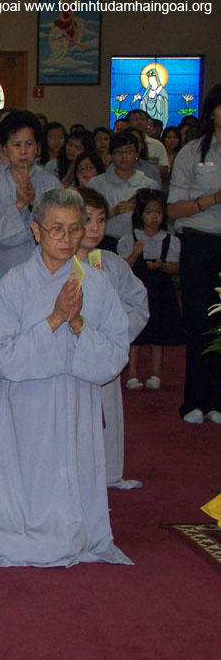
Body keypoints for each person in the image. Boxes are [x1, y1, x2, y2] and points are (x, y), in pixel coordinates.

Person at [0, 189, 132, 568]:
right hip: (28, 402)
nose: (66, 238)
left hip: (76, 399)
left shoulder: (97, 283)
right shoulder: (15, 283)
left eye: (75, 229)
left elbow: (115, 353)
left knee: (70, 472)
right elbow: (2, 357)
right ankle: (19, 525)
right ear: (36, 230)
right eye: (56, 229)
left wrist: (78, 323)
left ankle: (72, 528)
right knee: (27, 474)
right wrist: (55, 319)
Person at [75, 187, 148, 489]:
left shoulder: (111, 262)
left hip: (104, 351)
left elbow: (137, 303)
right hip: (69, 355)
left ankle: (107, 473)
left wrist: (115, 338)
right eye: (87, 219)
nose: (94, 227)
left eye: (101, 219)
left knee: (106, 412)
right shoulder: (53, 261)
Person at [168, 84, 221, 424]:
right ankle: (195, 401)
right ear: (211, 111)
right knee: (201, 323)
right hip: (201, 244)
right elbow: (173, 209)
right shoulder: (192, 152)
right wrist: (213, 199)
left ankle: (218, 400)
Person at [0, 110, 61, 290]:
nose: (23, 151)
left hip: (42, 266)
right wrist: (18, 205)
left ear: (37, 147)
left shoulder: (51, 183)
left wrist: (33, 203)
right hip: (1, 265)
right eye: (16, 145)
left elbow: (60, 227)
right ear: (5, 148)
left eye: (29, 144)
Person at [119, 188, 183, 392]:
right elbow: (122, 268)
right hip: (137, 292)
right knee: (136, 334)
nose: (154, 217)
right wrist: (135, 254)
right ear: (140, 214)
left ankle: (156, 374)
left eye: (158, 212)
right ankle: (132, 374)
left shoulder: (170, 240)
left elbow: (176, 267)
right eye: (148, 212)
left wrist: (163, 266)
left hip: (160, 292)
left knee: (158, 335)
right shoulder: (129, 239)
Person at [87, 131, 159, 252]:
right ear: (111, 155)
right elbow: (85, 217)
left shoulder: (149, 184)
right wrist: (112, 211)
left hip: (140, 242)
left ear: (137, 154)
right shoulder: (96, 183)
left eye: (129, 151)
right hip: (105, 241)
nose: (124, 156)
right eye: (119, 152)